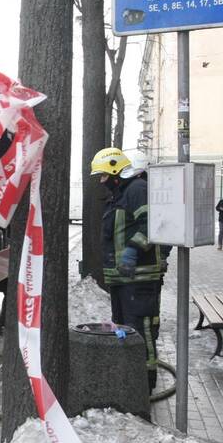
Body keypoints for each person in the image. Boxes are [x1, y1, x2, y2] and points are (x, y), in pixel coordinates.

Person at [91, 147, 166, 394]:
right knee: (124, 328)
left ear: (115, 172)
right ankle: (131, 377)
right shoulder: (121, 194)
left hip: (139, 279)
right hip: (124, 279)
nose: (101, 182)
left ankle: (144, 383)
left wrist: (133, 251)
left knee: (141, 328)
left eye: (103, 176)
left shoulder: (136, 189)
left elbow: (153, 223)